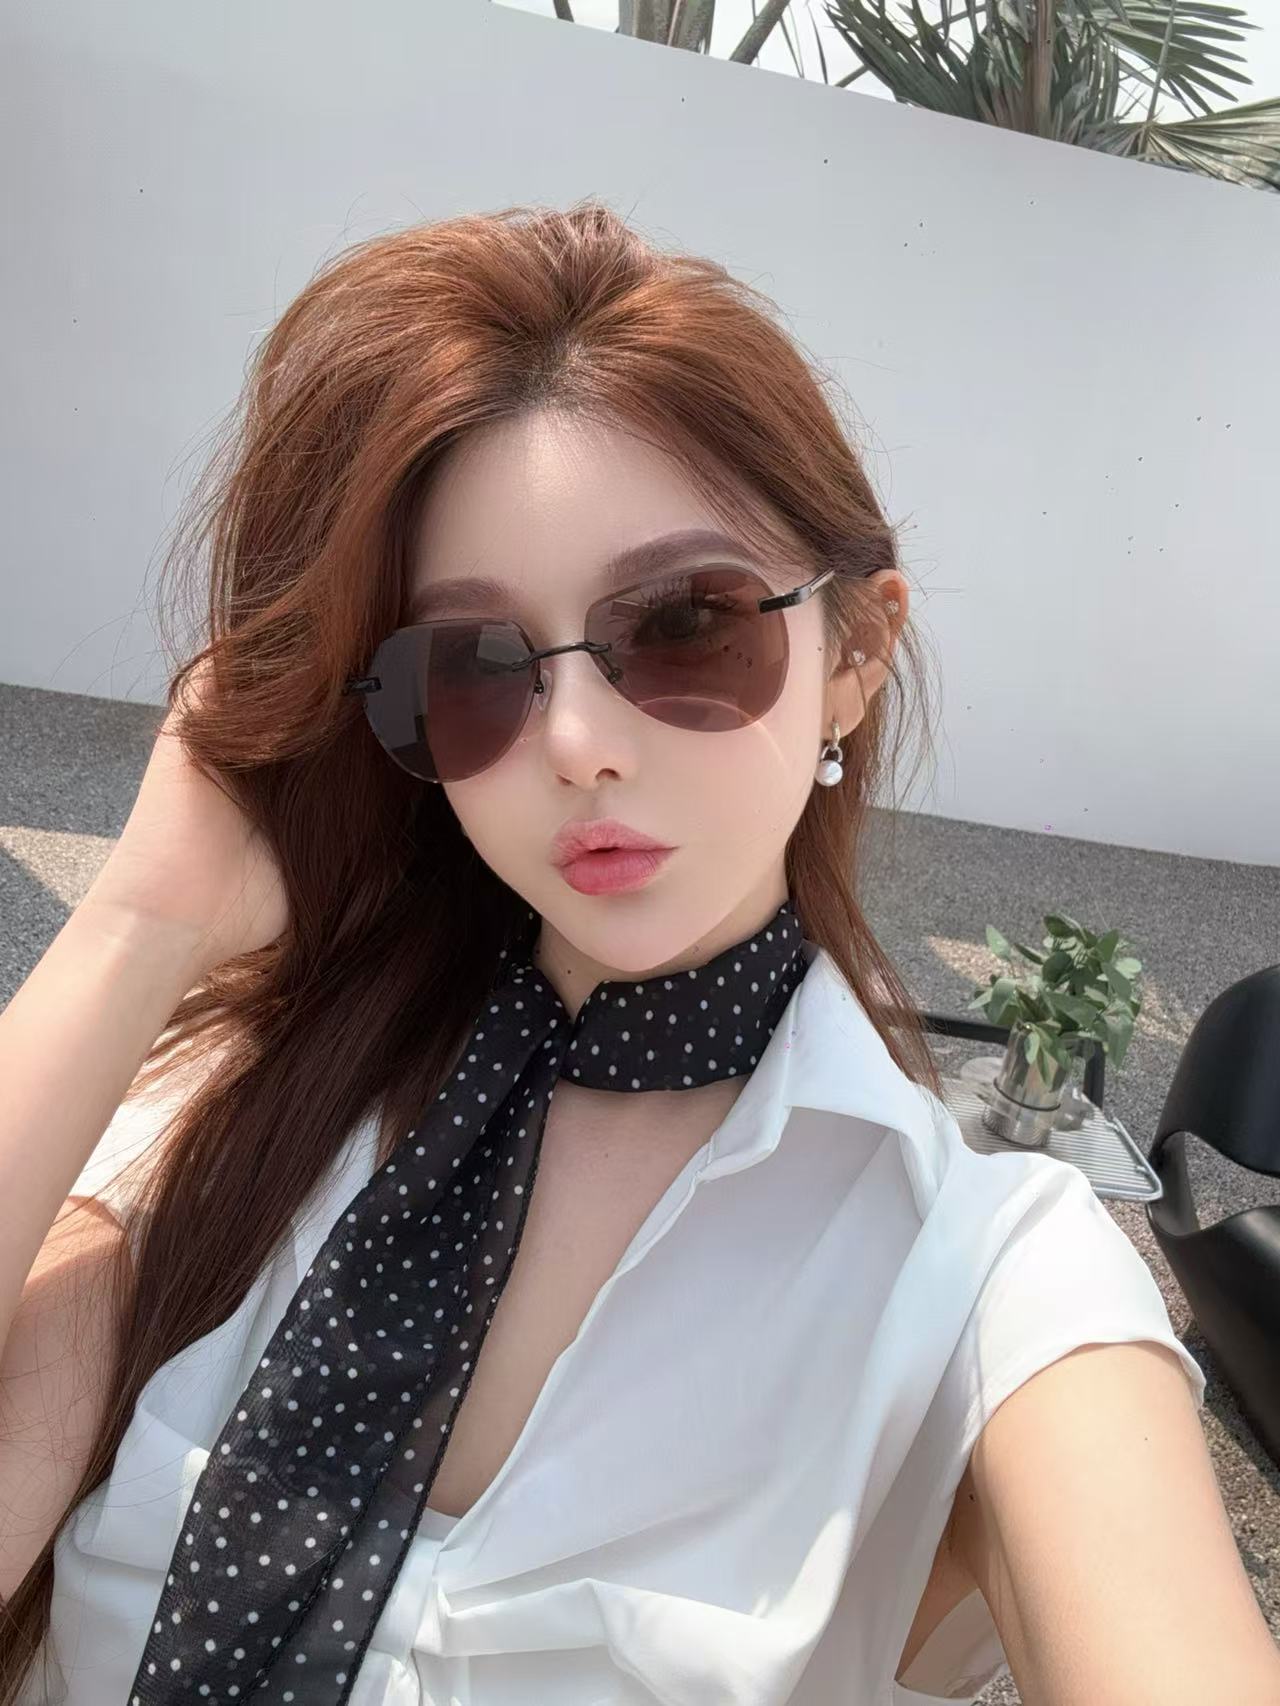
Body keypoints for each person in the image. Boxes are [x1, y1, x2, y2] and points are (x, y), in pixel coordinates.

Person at [1, 200, 1274, 1706]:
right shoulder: (239, 1105)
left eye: (682, 626)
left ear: (857, 654)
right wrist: (142, 926)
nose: (576, 744)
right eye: (468, 668)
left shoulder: (985, 1277)